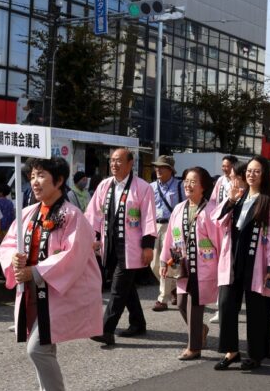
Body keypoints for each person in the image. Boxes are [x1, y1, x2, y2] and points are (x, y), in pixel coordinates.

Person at [0, 157, 103, 391]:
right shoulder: (28, 213)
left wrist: (34, 271)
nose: (35, 181)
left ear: (58, 180)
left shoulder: (71, 215)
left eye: (42, 175)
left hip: (61, 291)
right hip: (35, 291)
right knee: (45, 346)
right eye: (33, 175)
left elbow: (74, 255)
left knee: (38, 348)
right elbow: (9, 243)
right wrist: (14, 261)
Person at [213, 156, 270, 371]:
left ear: (264, 175)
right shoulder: (239, 197)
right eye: (249, 171)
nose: (251, 174)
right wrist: (231, 200)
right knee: (226, 304)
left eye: (257, 171)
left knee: (257, 309)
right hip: (233, 258)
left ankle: (255, 354)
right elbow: (217, 221)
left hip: (257, 261)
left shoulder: (269, 202)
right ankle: (231, 350)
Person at [85, 148, 157, 346]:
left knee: (118, 287)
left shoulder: (142, 187)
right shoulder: (105, 185)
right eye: (112, 161)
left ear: (130, 163)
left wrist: (148, 246)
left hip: (131, 246)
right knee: (127, 287)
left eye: (119, 161)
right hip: (109, 245)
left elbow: (149, 217)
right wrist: (94, 237)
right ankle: (138, 322)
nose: (114, 164)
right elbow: (93, 215)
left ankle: (106, 329)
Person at [159, 167, 221, 360]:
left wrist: (223, 266)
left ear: (203, 187)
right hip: (183, 265)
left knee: (194, 305)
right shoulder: (179, 209)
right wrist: (164, 261)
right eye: (186, 180)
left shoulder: (211, 211)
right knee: (181, 304)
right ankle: (200, 329)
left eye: (193, 181)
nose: (188, 184)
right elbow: (170, 237)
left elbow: (220, 241)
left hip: (203, 266)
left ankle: (193, 347)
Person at [208, 161, 247, 325]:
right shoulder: (231, 194)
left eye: (233, 178)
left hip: (248, 253)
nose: (231, 181)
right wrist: (230, 200)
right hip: (230, 249)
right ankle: (229, 344)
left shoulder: (258, 198)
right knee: (227, 296)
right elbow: (217, 218)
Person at [150, 155, 184, 312]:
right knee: (154, 264)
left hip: (174, 228)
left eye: (161, 167)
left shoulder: (180, 186)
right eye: (156, 166)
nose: (158, 169)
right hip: (155, 226)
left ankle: (162, 299)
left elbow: (186, 206)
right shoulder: (151, 187)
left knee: (171, 262)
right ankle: (174, 290)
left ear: (170, 170)